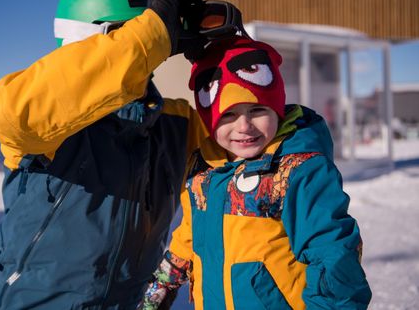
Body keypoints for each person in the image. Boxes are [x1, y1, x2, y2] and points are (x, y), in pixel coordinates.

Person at [0, 0, 211, 309]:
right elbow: (12, 116)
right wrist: (148, 36)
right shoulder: (46, 124)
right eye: (127, 36)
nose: (151, 52)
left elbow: (249, 143)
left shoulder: (175, 123)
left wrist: (224, 56)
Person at [140, 37, 372, 309]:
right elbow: (190, 233)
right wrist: (165, 283)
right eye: (228, 115)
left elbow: (332, 250)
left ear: (277, 111)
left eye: (257, 110)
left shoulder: (296, 169)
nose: (244, 126)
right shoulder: (204, 167)